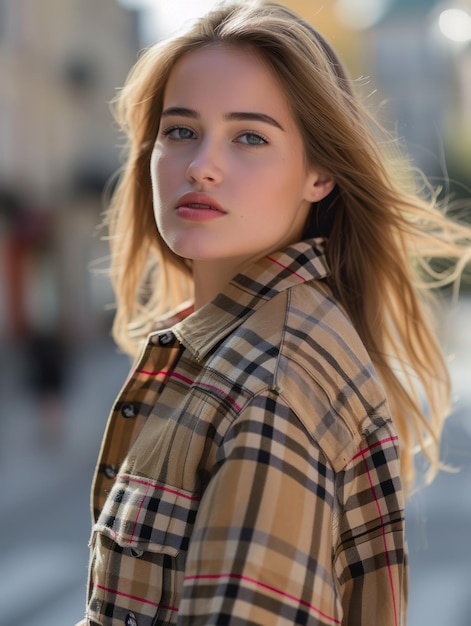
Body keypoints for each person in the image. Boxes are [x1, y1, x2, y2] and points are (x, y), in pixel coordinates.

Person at [76, 2, 471, 625]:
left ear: (319, 174)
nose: (202, 164)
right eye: (180, 130)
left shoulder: (268, 381)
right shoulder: (233, 346)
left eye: (250, 137)